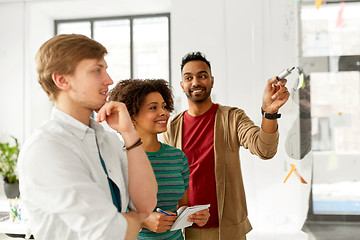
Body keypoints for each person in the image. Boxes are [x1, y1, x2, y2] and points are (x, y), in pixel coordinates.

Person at [17, 34, 158, 240]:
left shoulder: (108, 140)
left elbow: (146, 204)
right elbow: (110, 233)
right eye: (97, 70)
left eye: (106, 70)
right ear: (62, 80)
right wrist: (137, 219)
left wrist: (129, 133)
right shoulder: (47, 148)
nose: (109, 80)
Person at [162, 52, 290, 240]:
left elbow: (265, 149)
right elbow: (166, 179)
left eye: (202, 76)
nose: (196, 82)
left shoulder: (232, 117)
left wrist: (269, 112)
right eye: (188, 78)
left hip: (228, 230)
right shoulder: (171, 128)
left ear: (212, 81)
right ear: (182, 85)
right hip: (185, 230)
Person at [108, 79, 210, 240]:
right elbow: (107, 214)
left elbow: (182, 205)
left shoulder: (178, 157)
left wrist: (195, 216)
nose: (164, 112)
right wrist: (143, 221)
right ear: (132, 116)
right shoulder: (118, 159)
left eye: (163, 106)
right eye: (153, 108)